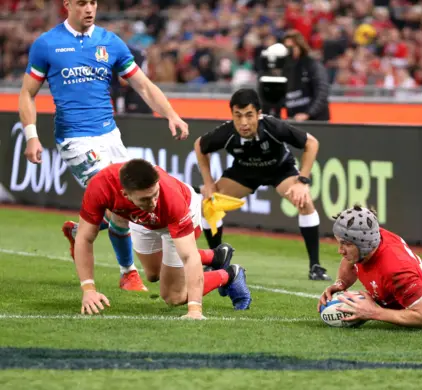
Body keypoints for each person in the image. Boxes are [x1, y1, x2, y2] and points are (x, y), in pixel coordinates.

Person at [18, 0, 189, 292]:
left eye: (93, 2)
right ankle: (128, 273)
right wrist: (31, 134)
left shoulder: (110, 42)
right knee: (119, 202)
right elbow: (27, 93)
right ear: (68, 4)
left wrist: (171, 114)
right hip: (74, 139)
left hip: (111, 136)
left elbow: (144, 85)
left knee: (128, 200)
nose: (89, 8)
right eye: (82, 2)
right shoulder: (47, 44)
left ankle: (82, 231)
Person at [73, 159, 252, 318]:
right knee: (153, 275)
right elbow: (84, 238)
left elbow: (189, 257)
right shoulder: (100, 187)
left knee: (174, 296)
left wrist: (194, 310)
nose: (152, 203)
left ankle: (230, 275)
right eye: (145, 199)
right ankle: (215, 257)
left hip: (178, 216)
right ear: (126, 195)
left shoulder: (171, 200)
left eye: (154, 195)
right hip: (140, 220)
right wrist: (88, 290)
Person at [194, 88, 331, 281]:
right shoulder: (227, 132)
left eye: (249, 115)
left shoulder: (273, 127)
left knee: (304, 201)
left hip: (280, 170)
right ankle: (217, 261)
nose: (243, 122)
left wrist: (302, 181)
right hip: (244, 172)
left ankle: (315, 267)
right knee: (209, 204)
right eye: (238, 115)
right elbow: (200, 146)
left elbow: (312, 143)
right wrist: (208, 184)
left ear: (259, 114)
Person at [282, 30, 331, 121]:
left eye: (292, 47)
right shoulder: (284, 68)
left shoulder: (312, 65)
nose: (289, 51)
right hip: (293, 119)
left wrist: (308, 113)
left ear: (300, 46)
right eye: (286, 47)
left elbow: (322, 91)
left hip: (316, 120)